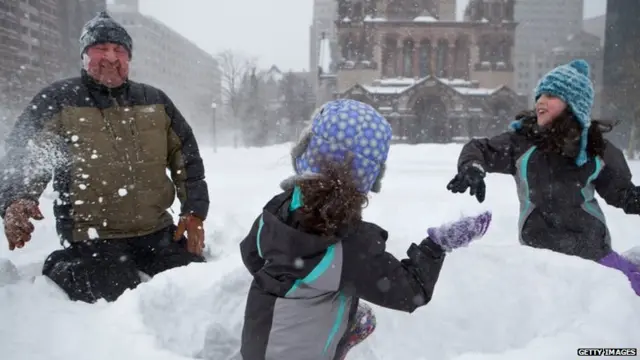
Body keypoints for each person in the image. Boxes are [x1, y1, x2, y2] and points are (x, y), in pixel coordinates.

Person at [238, 99, 492, 360]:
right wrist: (438, 244)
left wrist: (302, 285)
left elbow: (251, 254)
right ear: (369, 176)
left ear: (308, 150)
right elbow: (411, 291)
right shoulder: (345, 248)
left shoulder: (277, 210)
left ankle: (337, 325)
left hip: (259, 341)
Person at [0, 11, 209, 303]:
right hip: (92, 235)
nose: (111, 57)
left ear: (128, 59)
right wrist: (17, 199)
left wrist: (194, 211)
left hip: (155, 230)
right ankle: (59, 265)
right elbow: (27, 151)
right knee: (112, 287)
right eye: (101, 49)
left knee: (191, 280)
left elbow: (186, 157)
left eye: (119, 50)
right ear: (84, 55)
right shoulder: (60, 98)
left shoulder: (155, 100)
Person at [447, 59, 640, 295]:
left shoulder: (595, 148)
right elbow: (481, 148)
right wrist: (473, 166)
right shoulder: (522, 143)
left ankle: (632, 265)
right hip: (541, 254)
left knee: (627, 295)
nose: (540, 101)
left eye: (550, 95)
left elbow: (622, 193)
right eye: (540, 95)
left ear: (573, 105)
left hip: (593, 252)